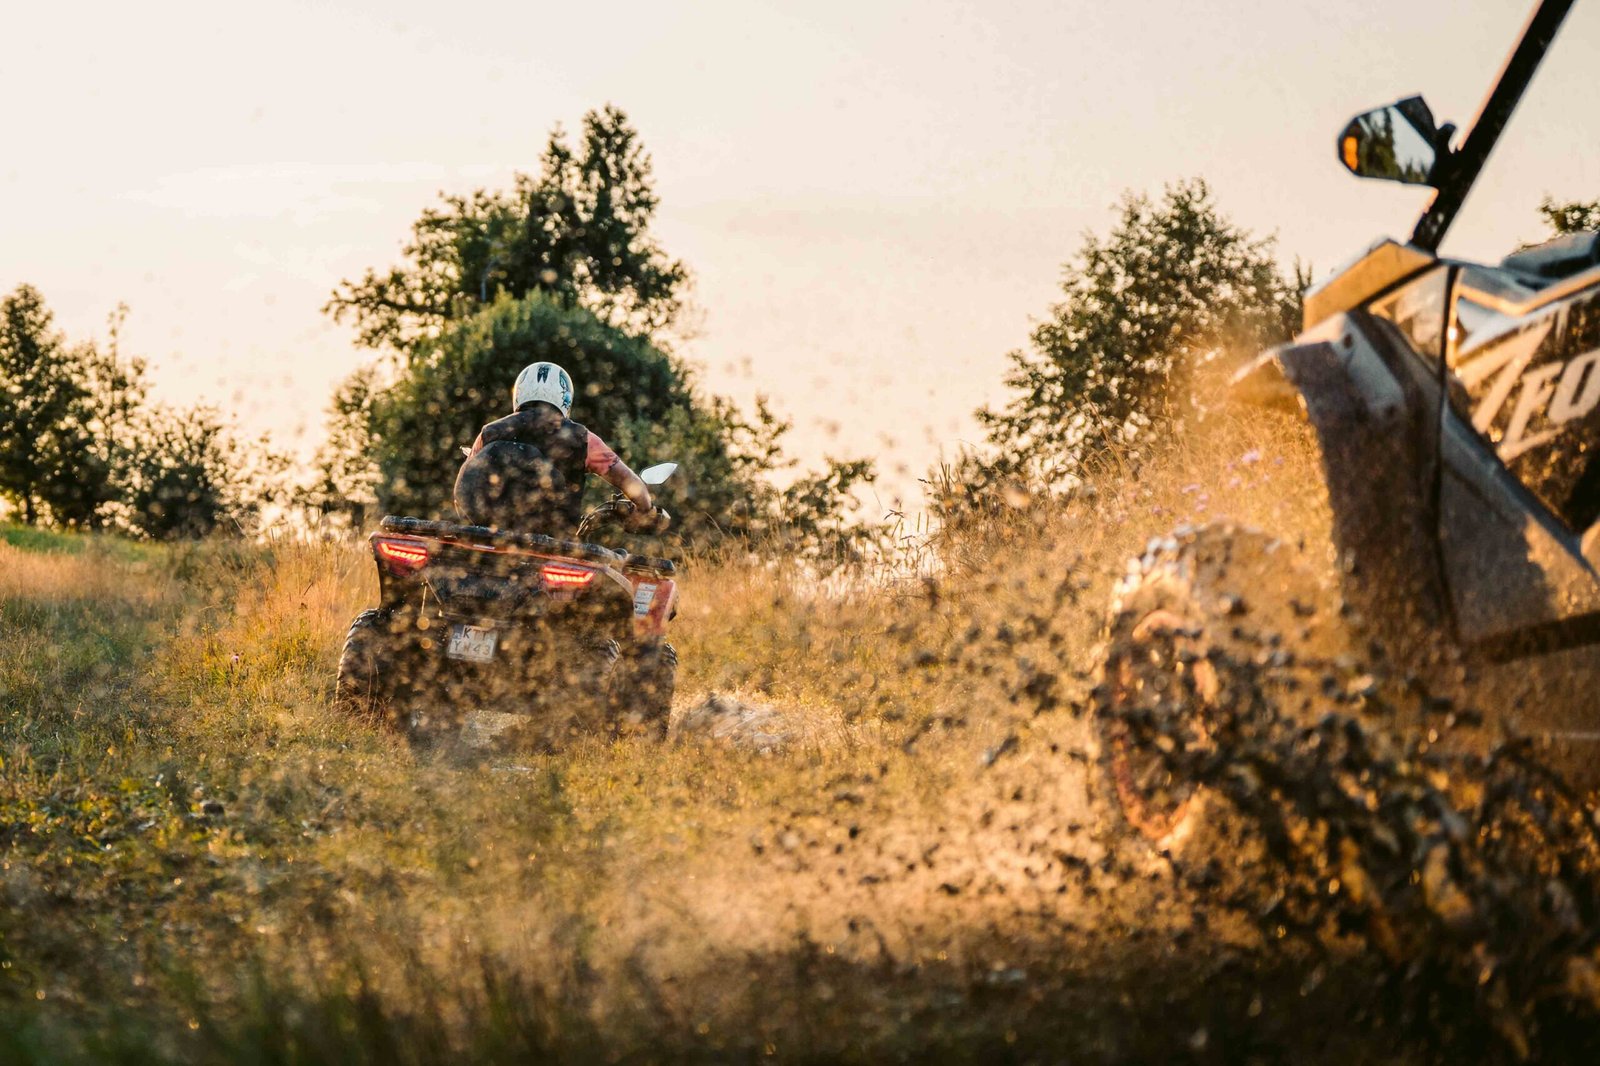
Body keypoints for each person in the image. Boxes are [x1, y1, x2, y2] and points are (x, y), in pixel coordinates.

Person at [453, 361, 667, 537]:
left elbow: (465, 487)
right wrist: (645, 510)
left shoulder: (489, 432)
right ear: (565, 396)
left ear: (519, 393)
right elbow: (627, 480)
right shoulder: (581, 438)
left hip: (488, 542)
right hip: (553, 545)